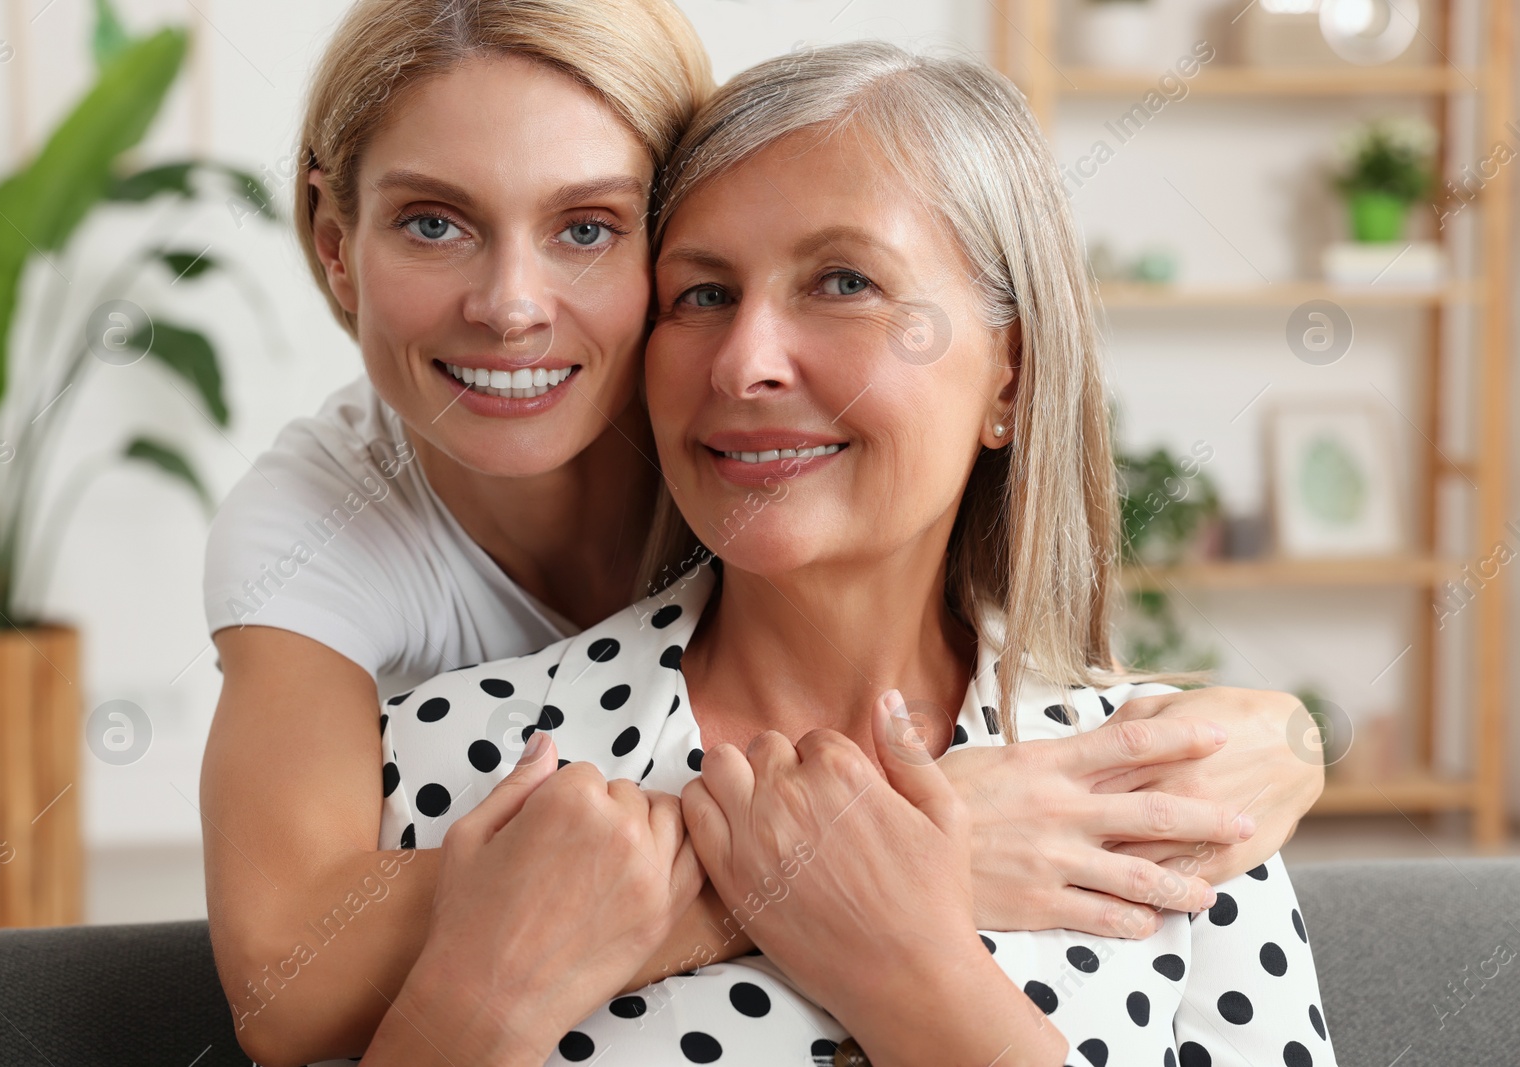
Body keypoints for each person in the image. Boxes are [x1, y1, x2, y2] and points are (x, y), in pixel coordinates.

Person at [198, 2, 1323, 1063]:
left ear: (1011, 374)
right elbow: (284, 978)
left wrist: (1292, 733)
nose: (512, 306)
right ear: (334, 239)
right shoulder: (445, 771)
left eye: (843, 280)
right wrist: (812, 864)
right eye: (703, 293)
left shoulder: (1159, 791)